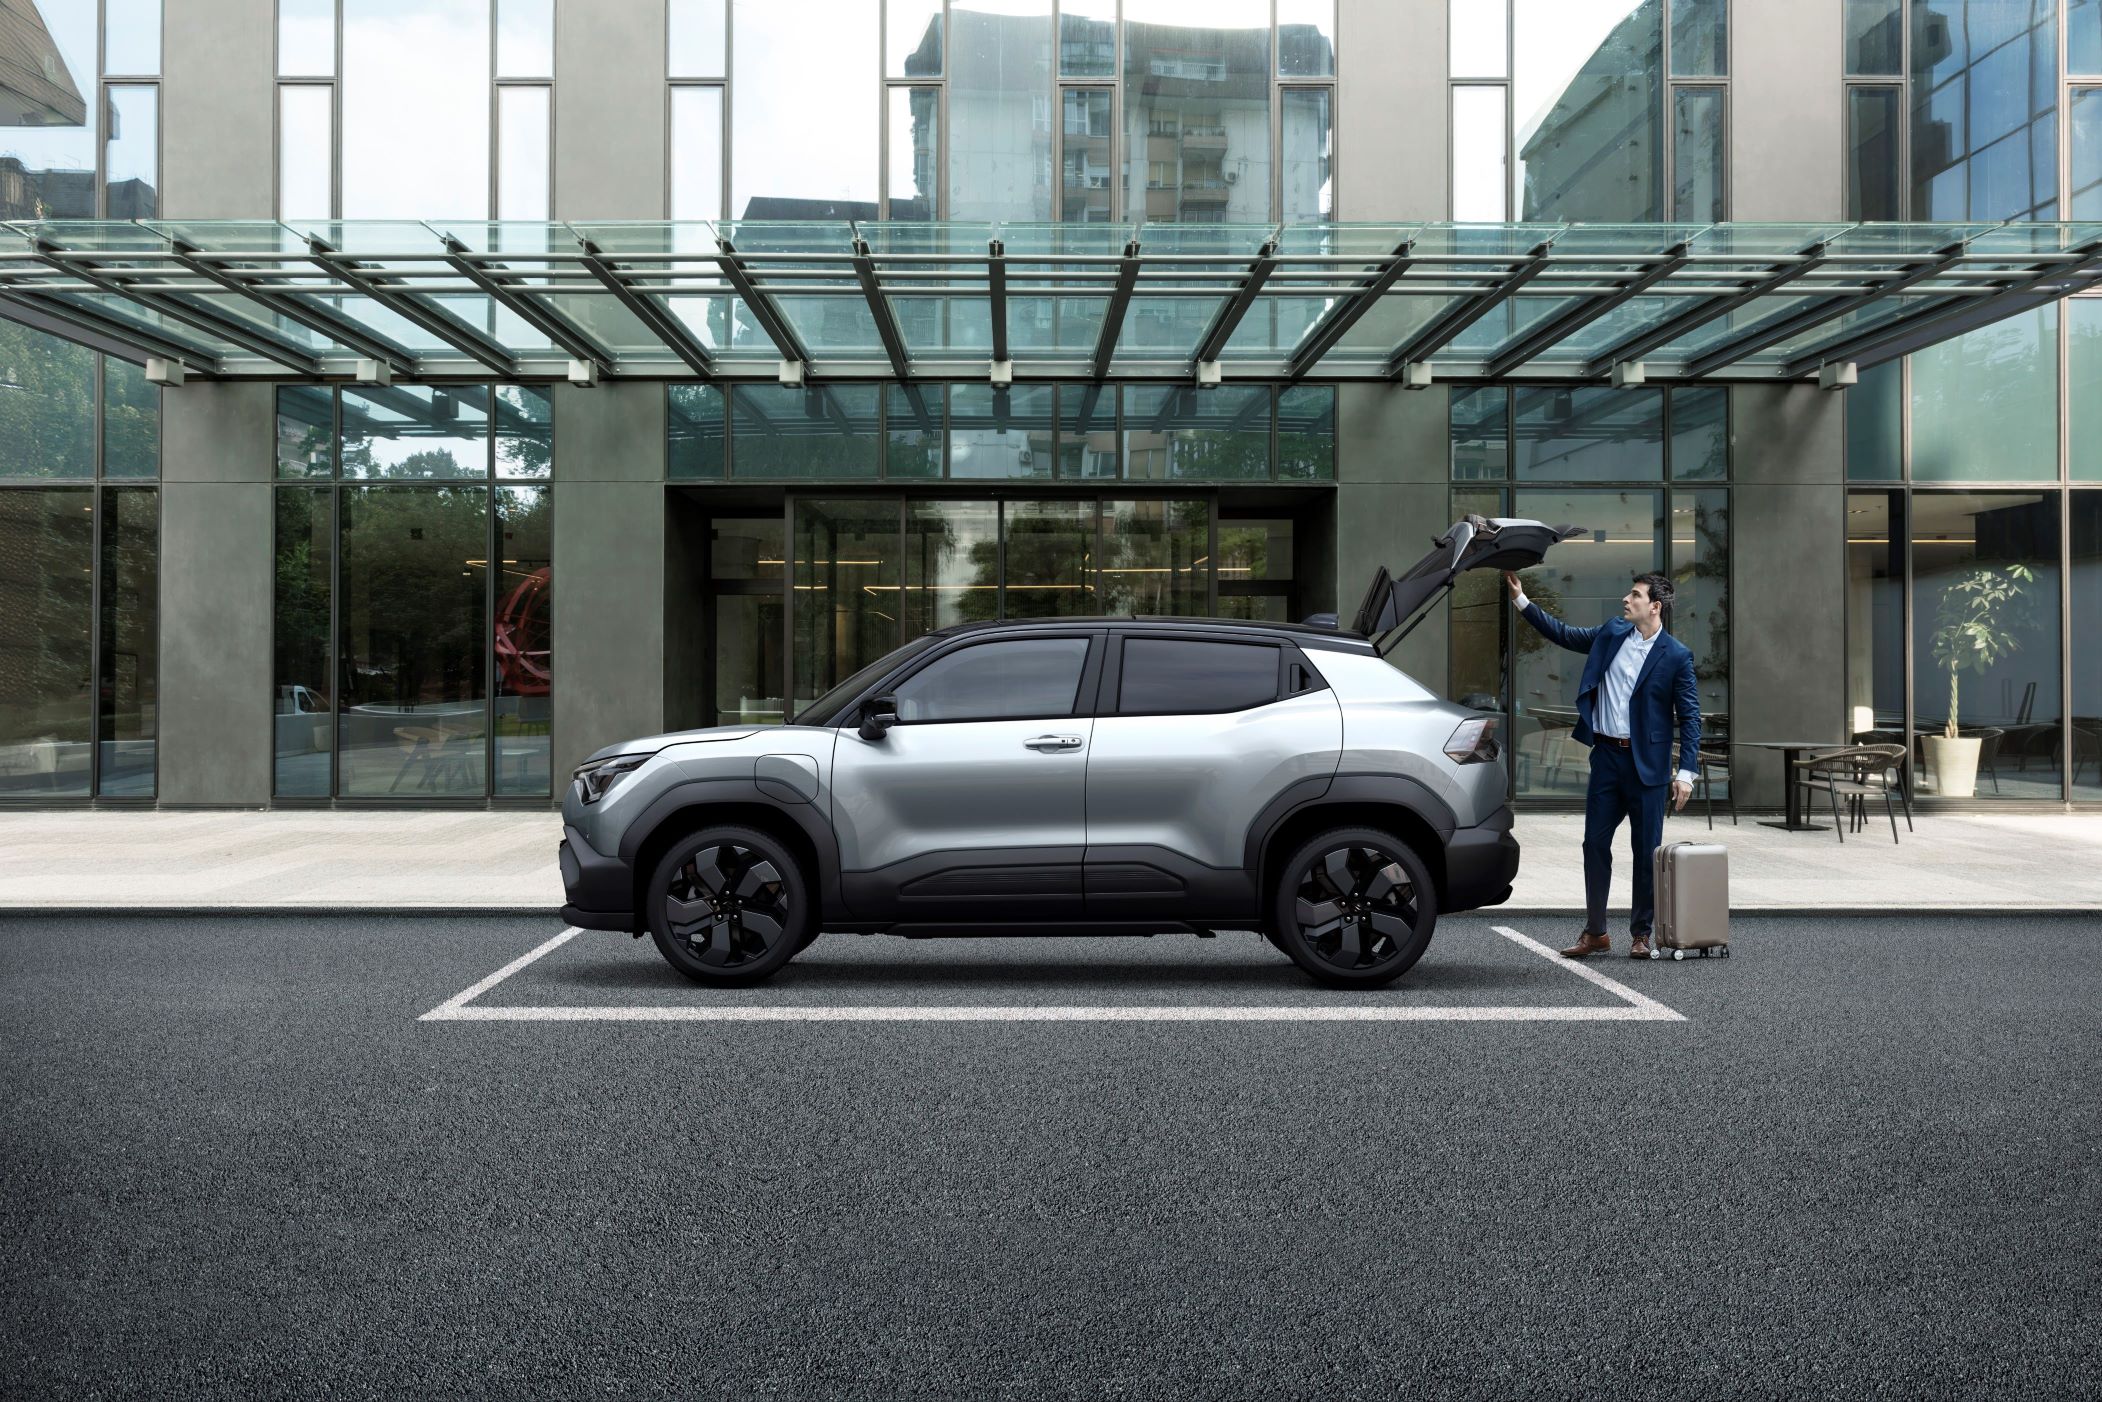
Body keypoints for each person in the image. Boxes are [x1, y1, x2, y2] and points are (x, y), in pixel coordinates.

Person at [1505, 570, 1700, 960]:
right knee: (1594, 844)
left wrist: (1686, 774)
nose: (1626, 600)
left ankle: (1641, 934)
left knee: (1646, 852)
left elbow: (1691, 716)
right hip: (1608, 759)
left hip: (1648, 768)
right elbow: (1564, 634)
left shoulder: (1676, 656)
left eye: (1635, 595)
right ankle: (1595, 932)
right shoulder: (1612, 633)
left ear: (1655, 606)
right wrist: (1521, 601)